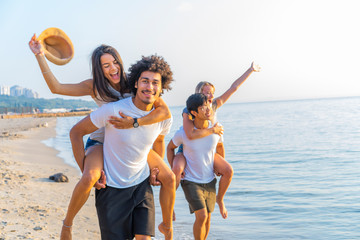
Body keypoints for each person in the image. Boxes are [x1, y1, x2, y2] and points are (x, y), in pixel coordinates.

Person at [28, 35, 175, 240]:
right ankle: (67, 225)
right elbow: (57, 88)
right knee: (90, 177)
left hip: (131, 138)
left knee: (168, 177)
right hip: (101, 137)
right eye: (106, 65)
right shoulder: (94, 86)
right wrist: (40, 55)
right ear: (99, 69)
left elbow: (164, 113)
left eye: (115, 62)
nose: (113, 68)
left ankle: (167, 225)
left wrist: (134, 124)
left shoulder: (135, 82)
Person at [69, 55, 174, 240]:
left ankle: (168, 228)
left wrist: (155, 170)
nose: (149, 87)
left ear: (161, 87)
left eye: (155, 83)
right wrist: (85, 169)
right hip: (112, 189)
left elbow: (158, 141)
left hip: (141, 185)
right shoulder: (113, 111)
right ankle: (67, 224)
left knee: (145, 237)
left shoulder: (164, 117)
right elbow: (76, 132)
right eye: (145, 81)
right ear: (135, 84)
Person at [171, 62, 261, 219]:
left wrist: (250, 70)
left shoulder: (214, 105)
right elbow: (190, 134)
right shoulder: (188, 111)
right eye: (206, 93)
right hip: (188, 147)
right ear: (198, 94)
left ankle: (220, 199)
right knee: (177, 170)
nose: (211, 96)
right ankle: (170, 205)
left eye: (212, 93)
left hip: (208, 148)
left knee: (227, 170)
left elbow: (233, 88)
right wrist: (213, 130)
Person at [167, 93, 223, 240]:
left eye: (208, 105)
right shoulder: (183, 134)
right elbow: (169, 147)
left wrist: (219, 166)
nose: (207, 109)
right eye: (202, 107)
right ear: (193, 113)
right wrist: (173, 164)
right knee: (202, 216)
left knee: (208, 218)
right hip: (191, 181)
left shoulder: (216, 130)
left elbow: (220, 148)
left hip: (209, 180)